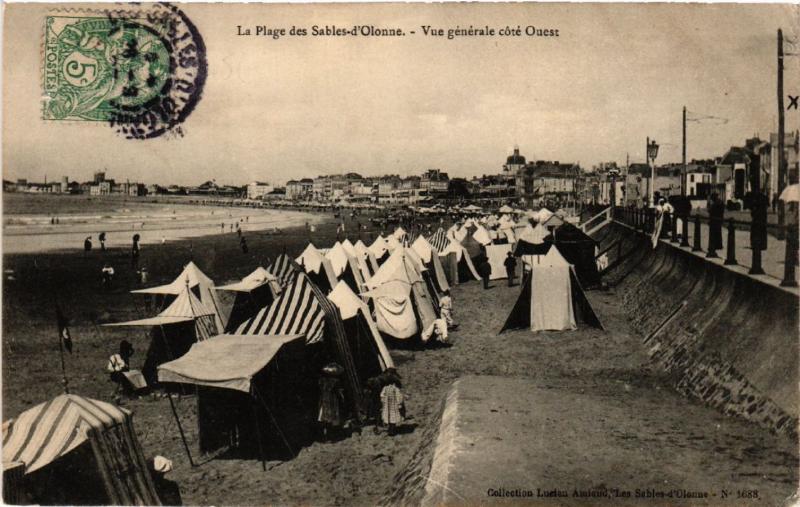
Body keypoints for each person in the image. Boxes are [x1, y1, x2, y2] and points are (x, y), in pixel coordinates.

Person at [318, 363, 345, 441]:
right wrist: (342, 397)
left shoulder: (321, 380)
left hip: (323, 400)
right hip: (332, 401)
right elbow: (338, 392)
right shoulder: (335, 381)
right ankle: (331, 435)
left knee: (323, 417)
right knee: (331, 417)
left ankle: (324, 435)